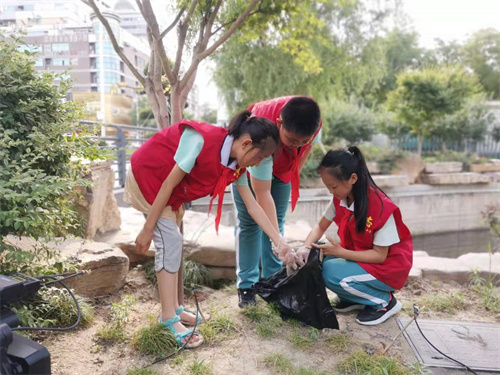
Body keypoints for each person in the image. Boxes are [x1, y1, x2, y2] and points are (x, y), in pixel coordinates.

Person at [124, 111, 294, 348]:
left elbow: (253, 205)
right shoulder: (200, 139)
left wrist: (279, 241)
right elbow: (169, 181)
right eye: (259, 157)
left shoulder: (236, 166)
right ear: (246, 144)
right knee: (170, 241)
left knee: (172, 242)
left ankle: (175, 309)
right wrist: (147, 228)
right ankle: (168, 319)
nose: (258, 164)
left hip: (167, 192)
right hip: (148, 178)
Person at [297, 146, 413, 326]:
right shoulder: (341, 198)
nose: (331, 192)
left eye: (333, 186)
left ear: (352, 179)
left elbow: (380, 256)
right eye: (328, 187)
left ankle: (383, 302)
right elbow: (320, 226)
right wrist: (305, 248)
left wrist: (340, 252)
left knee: (330, 272)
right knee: (319, 261)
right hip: (364, 261)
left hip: (389, 269)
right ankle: (355, 298)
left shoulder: (381, 207)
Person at [232, 96, 322, 308]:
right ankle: (247, 285)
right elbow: (261, 193)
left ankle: (273, 279)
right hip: (252, 163)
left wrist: (291, 175)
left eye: (303, 140)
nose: (297, 145)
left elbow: (303, 153)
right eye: (292, 140)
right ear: (279, 123)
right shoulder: (260, 134)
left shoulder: (312, 124)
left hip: (282, 168)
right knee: (249, 224)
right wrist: (278, 240)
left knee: (277, 220)